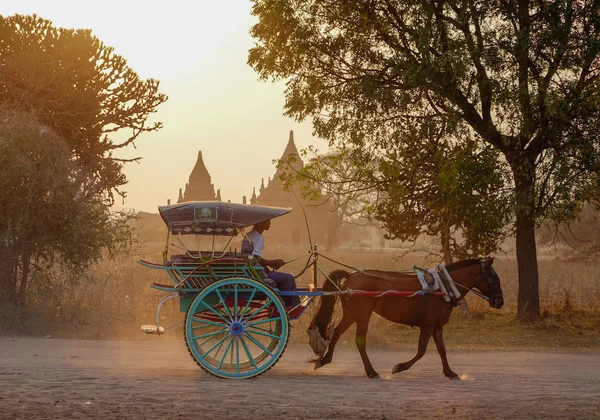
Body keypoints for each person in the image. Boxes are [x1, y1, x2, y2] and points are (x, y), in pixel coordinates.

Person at [241, 219, 300, 307]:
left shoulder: (248, 235)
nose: (270, 223)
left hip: (251, 271)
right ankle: (287, 308)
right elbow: (255, 258)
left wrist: (269, 263)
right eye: (267, 221)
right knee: (288, 278)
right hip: (257, 274)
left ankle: (278, 305)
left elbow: (253, 259)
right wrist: (273, 262)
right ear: (260, 223)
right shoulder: (258, 237)